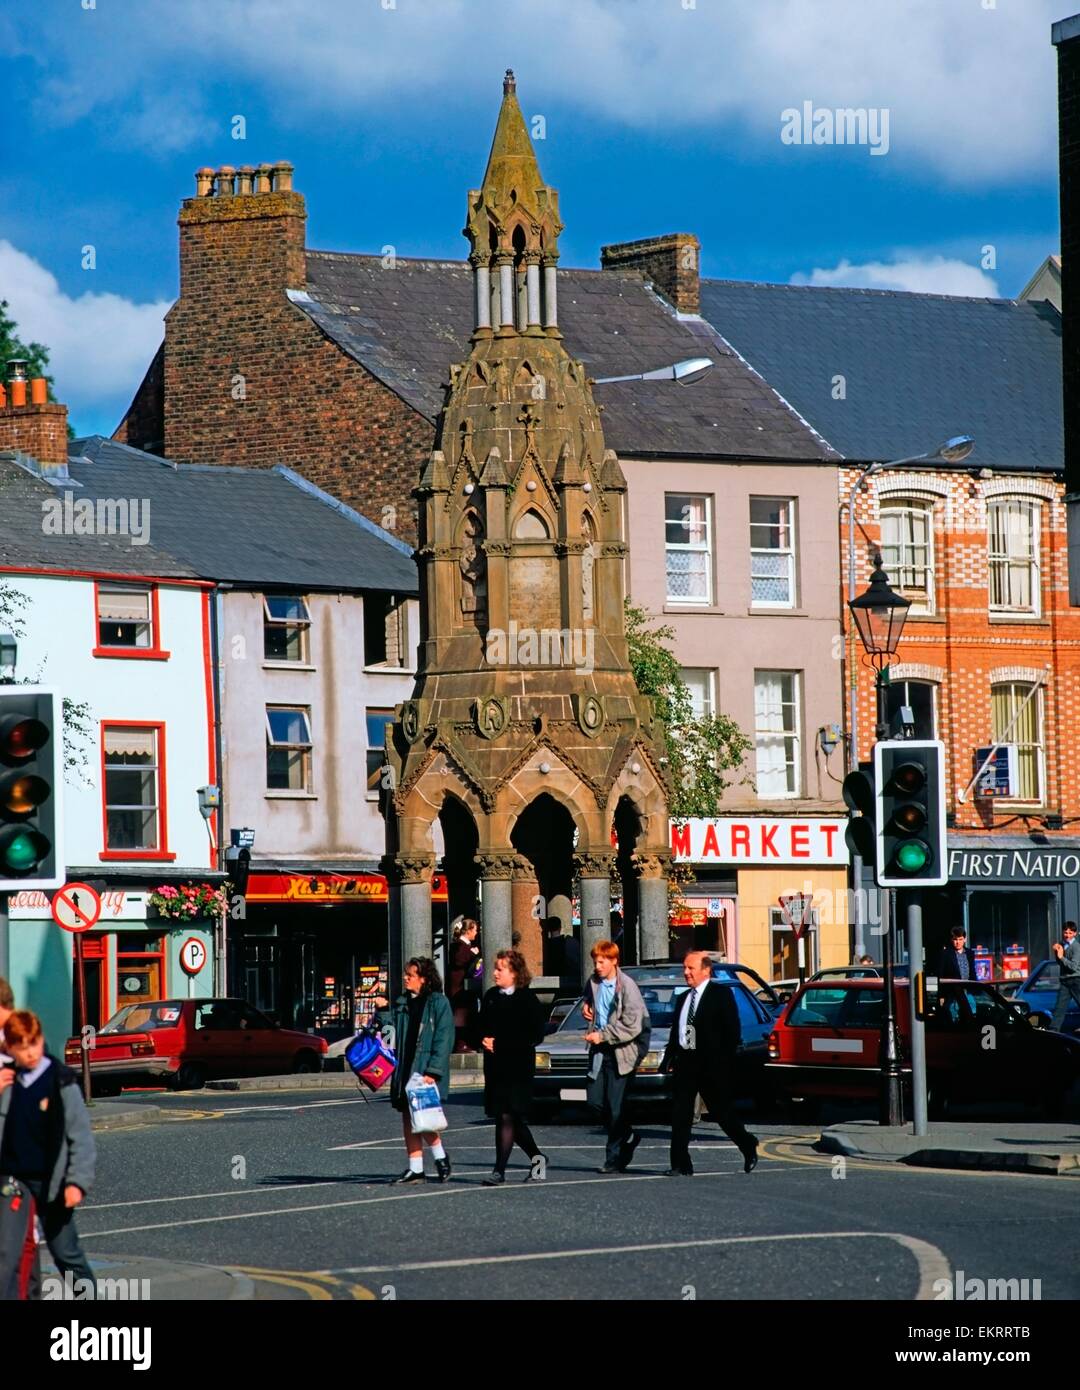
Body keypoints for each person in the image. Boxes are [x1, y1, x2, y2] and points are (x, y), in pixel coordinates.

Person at [0, 1010, 96, 1298]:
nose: (30, 1053)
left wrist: (77, 1182)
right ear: (11, 1049)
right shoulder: (9, 1082)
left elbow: (80, 1135)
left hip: (53, 1182)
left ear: (41, 1039)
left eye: (34, 1043)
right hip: (15, 1180)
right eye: (22, 1047)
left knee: (66, 1254)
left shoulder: (60, 1081)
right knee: (7, 1253)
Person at [662, 951, 758, 1176]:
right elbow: (680, 1032)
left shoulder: (720, 995)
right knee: (680, 1114)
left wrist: (721, 1063)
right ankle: (680, 1164)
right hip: (686, 1062)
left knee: (721, 1111)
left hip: (711, 1065)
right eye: (684, 968)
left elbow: (732, 1032)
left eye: (691, 968)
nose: (686, 973)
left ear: (706, 970)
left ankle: (746, 1144)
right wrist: (670, 1057)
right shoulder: (684, 998)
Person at [373, 959, 454, 1184]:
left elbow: (444, 1038)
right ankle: (416, 1168)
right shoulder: (401, 1003)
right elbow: (390, 1039)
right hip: (405, 1066)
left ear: (424, 978)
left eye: (411, 974)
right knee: (409, 1117)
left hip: (424, 1068)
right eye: (406, 974)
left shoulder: (439, 1003)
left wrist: (434, 1070)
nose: (406, 978)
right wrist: (382, 1012)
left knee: (423, 1117)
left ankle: (440, 1157)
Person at [478, 950, 547, 1185]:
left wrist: (501, 1043)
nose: (495, 973)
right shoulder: (490, 996)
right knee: (510, 1118)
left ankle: (499, 1170)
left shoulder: (527, 999)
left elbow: (535, 1035)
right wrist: (483, 1039)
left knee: (506, 1116)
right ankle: (538, 1158)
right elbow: (480, 1025)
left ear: (515, 972)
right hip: (496, 1067)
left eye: (501, 968)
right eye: (495, 968)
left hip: (518, 1068)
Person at [581, 940, 650, 1174]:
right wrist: (586, 1007)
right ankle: (628, 1135)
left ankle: (613, 1157)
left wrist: (603, 1036)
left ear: (614, 961)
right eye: (595, 962)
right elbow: (588, 1000)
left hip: (621, 1052)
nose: (597, 966)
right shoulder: (593, 982)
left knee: (615, 1108)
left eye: (602, 962)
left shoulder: (628, 987)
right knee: (594, 1102)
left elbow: (632, 1025)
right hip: (599, 1053)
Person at [448, 919, 482, 1053]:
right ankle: (461, 1044)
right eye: (475, 930)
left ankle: (466, 1042)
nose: (476, 933)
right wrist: (473, 953)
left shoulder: (465, 945)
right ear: (468, 931)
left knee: (467, 1014)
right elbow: (459, 960)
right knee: (462, 1015)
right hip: (459, 987)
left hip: (465, 986)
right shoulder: (460, 945)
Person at [1050, 921, 1080, 1033]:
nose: (1067, 935)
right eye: (1065, 932)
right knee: (1059, 1008)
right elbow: (1060, 963)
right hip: (1065, 981)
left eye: (1070, 933)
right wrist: (1057, 952)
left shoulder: (1076, 947)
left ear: (1075, 934)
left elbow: (1073, 967)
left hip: (1076, 980)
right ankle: (1053, 1031)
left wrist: (1061, 957)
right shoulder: (1063, 944)